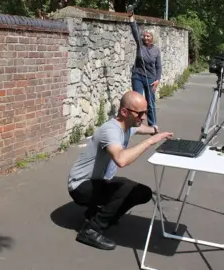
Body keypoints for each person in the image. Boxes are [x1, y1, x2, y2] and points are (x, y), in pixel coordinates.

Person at [67, 90, 173, 250]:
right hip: (80, 186)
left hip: (97, 182)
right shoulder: (111, 131)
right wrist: (150, 142)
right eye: (140, 113)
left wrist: (156, 131)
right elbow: (121, 160)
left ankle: (96, 216)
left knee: (143, 192)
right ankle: (91, 230)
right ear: (124, 112)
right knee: (126, 188)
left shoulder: (129, 125)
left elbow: (141, 128)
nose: (143, 117)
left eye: (145, 112)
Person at [129, 11, 162, 132]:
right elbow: (135, 31)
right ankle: (136, 124)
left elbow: (159, 67)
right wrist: (131, 17)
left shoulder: (156, 50)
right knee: (137, 101)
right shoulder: (140, 45)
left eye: (148, 36)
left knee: (150, 102)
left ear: (153, 38)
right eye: (145, 36)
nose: (145, 37)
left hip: (151, 79)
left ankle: (153, 124)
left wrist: (157, 80)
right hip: (137, 75)